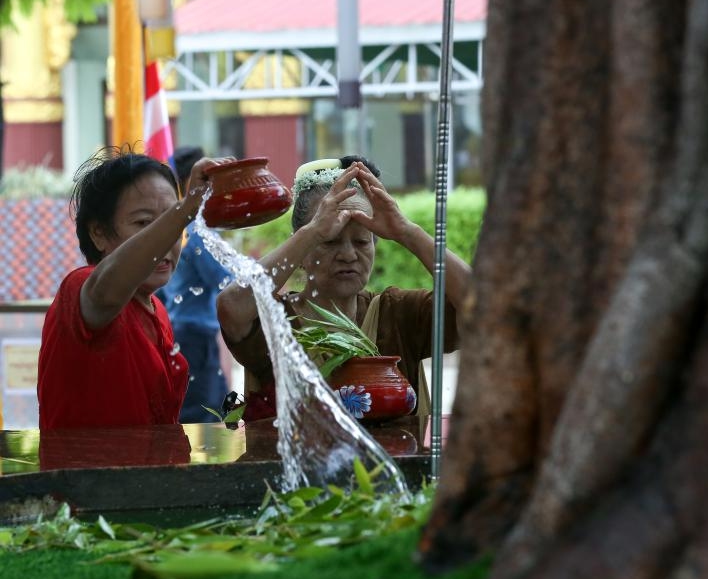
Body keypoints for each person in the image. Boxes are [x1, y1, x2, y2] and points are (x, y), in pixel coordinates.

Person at [216, 156, 471, 434]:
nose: (349, 255)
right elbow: (231, 305)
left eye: (362, 241)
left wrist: (408, 232)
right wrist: (313, 232)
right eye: (330, 240)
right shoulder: (276, 321)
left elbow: (481, 306)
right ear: (301, 249)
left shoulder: (398, 313)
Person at [37, 149, 226, 429]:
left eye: (170, 223)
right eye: (143, 223)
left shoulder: (158, 309)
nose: (167, 238)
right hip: (87, 474)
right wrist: (186, 208)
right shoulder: (81, 288)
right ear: (98, 232)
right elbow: (107, 290)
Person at [160, 146, 233, 424]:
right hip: (195, 338)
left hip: (181, 331)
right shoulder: (196, 232)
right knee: (203, 417)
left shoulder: (174, 228)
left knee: (208, 411)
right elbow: (226, 279)